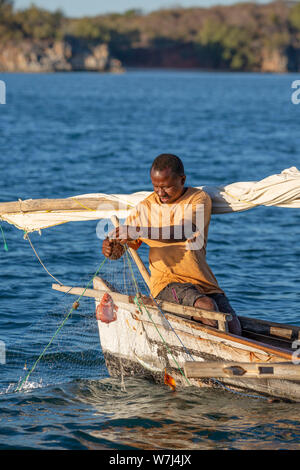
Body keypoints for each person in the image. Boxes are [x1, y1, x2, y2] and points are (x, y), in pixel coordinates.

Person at [102, 154, 242, 335]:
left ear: (182, 180)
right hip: (167, 284)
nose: (160, 193)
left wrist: (140, 231)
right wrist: (110, 248)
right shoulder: (145, 207)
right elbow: (120, 250)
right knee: (207, 307)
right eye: (156, 187)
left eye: (166, 187)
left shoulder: (198, 199)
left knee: (234, 326)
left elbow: (184, 231)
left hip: (204, 282)